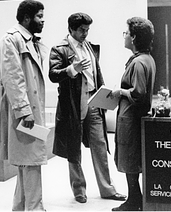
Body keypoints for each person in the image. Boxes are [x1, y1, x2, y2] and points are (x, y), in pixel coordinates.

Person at [48, 12, 126, 204]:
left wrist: (104, 95)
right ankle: (79, 190)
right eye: (82, 30)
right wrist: (72, 69)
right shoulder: (59, 49)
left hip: (93, 99)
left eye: (87, 29)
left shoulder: (90, 46)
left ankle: (107, 189)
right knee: (73, 148)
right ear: (71, 29)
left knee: (100, 144)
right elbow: (53, 74)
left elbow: (96, 73)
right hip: (73, 104)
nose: (86, 33)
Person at [0, 0, 47, 211]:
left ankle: (21, 206)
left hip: (29, 110)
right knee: (31, 161)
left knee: (28, 160)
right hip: (24, 112)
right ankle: (34, 208)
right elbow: (13, 77)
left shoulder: (29, 40)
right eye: (39, 17)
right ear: (26, 18)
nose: (43, 21)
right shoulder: (11, 40)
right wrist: (24, 111)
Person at [110, 17, 156, 211]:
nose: (125, 36)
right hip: (135, 118)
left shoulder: (138, 63)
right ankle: (135, 198)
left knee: (130, 159)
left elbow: (138, 93)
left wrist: (120, 92)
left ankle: (134, 201)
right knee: (133, 158)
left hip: (130, 118)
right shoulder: (147, 59)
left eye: (126, 33)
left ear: (135, 37)